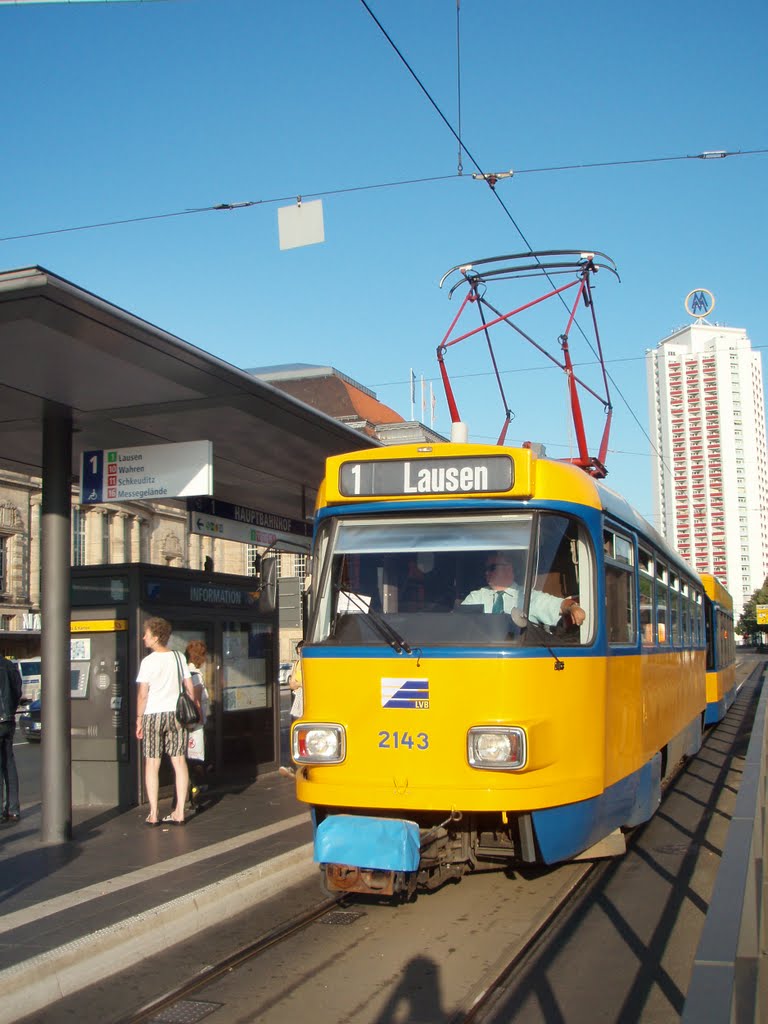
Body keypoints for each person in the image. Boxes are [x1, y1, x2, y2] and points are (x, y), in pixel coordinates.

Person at [136, 617, 199, 826]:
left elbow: (143, 694)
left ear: (155, 637)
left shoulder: (147, 662)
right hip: (176, 714)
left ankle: (154, 813)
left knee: (152, 763)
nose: (143, 637)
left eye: (146, 633)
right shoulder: (178, 657)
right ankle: (179, 811)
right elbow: (189, 688)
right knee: (179, 761)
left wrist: (138, 719)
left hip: (153, 715)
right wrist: (195, 709)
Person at [462, 552, 586, 629]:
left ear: (509, 569)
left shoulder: (527, 596)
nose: (486, 572)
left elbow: (559, 605)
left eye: (492, 567)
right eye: (486, 568)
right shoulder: (476, 596)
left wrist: (573, 607)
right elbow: (459, 621)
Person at [0, 656, 23, 824]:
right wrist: (10, 711)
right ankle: (13, 809)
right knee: (9, 763)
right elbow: (17, 691)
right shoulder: (9, 665)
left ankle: (1, 812)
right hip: (8, 720)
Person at [279, 640, 303, 778]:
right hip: (298, 698)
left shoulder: (309, 663)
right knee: (295, 727)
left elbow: (307, 681)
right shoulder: (297, 664)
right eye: (298, 652)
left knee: (300, 728)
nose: (300, 654)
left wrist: (298, 683)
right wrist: (299, 684)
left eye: (302, 652)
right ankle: (293, 763)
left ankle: (296, 764)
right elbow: (292, 684)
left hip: (304, 699)